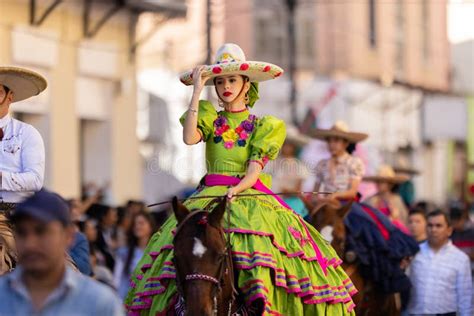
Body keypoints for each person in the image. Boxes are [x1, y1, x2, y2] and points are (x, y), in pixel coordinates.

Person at [125, 43, 357, 315]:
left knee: (266, 259)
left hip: (246, 196)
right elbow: (189, 138)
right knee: (182, 250)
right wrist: (198, 90)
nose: (226, 86)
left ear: (246, 84)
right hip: (209, 195)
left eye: (232, 79)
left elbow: (253, 171)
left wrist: (236, 190)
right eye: (220, 81)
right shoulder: (209, 117)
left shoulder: (264, 126)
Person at [0, 189, 124, 315]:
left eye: (41, 232)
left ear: (68, 236)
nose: (30, 243)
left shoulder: (99, 303)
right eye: (22, 232)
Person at [0, 66, 46, 274]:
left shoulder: (26, 133)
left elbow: (35, 179)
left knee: (64, 270)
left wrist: (1, 178)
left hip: (17, 214)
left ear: (10, 97)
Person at [408, 210, 472, 316]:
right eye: (430, 225)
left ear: (449, 230)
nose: (433, 230)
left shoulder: (461, 259)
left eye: (438, 226)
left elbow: (465, 298)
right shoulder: (414, 253)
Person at [269, 125, 312, 218]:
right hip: (271, 200)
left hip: (290, 202)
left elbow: (298, 190)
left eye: (289, 144)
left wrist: (285, 191)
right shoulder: (272, 163)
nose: (286, 147)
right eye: (284, 144)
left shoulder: (299, 166)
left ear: (294, 146)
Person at [114, 210, 156, 299]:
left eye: (141, 223)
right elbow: (117, 280)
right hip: (127, 302)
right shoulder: (124, 253)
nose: (137, 226)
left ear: (151, 226)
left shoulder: (157, 252)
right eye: (135, 224)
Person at [363, 165, 410, 233]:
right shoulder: (370, 200)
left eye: (381, 181)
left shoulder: (396, 200)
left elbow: (404, 222)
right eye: (377, 181)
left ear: (389, 184)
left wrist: (394, 218)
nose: (378, 184)